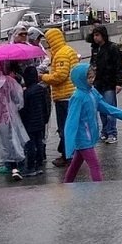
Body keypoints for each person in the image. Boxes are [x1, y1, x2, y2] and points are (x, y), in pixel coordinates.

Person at [63, 62, 122, 182]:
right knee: (95, 165)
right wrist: (69, 145)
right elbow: (71, 122)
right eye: (89, 78)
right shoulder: (78, 97)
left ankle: (67, 184)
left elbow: (107, 108)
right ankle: (100, 189)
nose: (92, 80)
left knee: (75, 165)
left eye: (92, 77)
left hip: (89, 136)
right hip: (83, 138)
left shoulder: (92, 92)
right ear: (81, 78)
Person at [41, 28, 79, 167]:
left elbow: (60, 76)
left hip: (64, 96)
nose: (47, 44)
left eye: (47, 41)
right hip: (71, 93)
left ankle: (67, 156)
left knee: (64, 128)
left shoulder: (61, 54)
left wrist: (44, 77)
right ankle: (70, 153)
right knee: (70, 126)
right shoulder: (68, 50)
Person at [89, 24, 122, 143]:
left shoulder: (112, 48)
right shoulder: (95, 49)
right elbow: (92, 64)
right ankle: (105, 131)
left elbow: (120, 66)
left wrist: (119, 83)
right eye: (94, 35)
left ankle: (112, 133)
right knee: (102, 109)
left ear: (103, 35)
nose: (95, 38)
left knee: (110, 109)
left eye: (97, 35)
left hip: (109, 83)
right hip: (98, 83)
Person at [20, 64, 51, 177]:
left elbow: (24, 109)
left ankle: (30, 167)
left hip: (30, 123)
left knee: (30, 144)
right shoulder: (42, 90)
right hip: (41, 121)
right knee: (39, 142)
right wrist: (45, 118)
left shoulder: (26, 93)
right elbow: (45, 105)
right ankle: (39, 164)